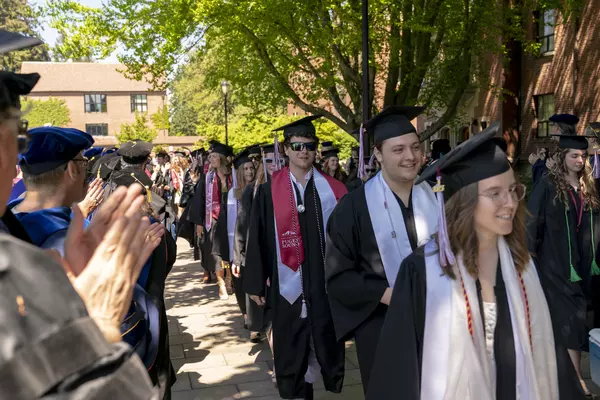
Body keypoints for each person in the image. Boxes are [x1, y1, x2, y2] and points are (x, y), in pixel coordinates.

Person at [367, 122, 584, 400]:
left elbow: (549, 356)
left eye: (513, 190)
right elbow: (399, 371)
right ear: (465, 202)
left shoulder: (523, 267)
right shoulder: (423, 272)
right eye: (495, 193)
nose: (510, 203)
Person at [0, 65, 159, 397]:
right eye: (84, 164)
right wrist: (102, 326)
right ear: (73, 169)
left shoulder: (12, 223)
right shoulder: (63, 238)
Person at [325, 105, 439, 392]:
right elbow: (339, 276)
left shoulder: (438, 198)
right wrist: (391, 295)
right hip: (382, 326)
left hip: (439, 321)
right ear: (377, 154)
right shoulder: (353, 207)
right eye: (398, 149)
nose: (410, 156)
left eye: (415, 147)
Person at [244, 116, 347, 400]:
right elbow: (258, 237)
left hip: (323, 285)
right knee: (291, 350)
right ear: (286, 149)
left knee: (322, 344)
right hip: (286, 288)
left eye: (309, 146)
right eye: (297, 145)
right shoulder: (268, 191)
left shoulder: (333, 191)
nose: (304, 151)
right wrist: (254, 283)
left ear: (316, 151)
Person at [527, 114, 600, 397]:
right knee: (571, 319)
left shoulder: (589, 189)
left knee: (574, 320)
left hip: (583, 266)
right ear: (562, 157)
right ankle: (576, 382)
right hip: (555, 265)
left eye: (582, 156)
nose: (579, 160)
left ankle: (564, 378)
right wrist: (530, 262)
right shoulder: (547, 186)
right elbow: (532, 223)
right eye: (573, 156)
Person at [8, 126, 94, 253]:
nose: (86, 170)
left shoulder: (7, 222)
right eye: (84, 162)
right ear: (72, 169)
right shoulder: (71, 239)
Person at [187, 141, 233, 298]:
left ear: (221, 158)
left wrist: (222, 180)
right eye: (210, 157)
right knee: (216, 253)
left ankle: (228, 277)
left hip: (229, 218)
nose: (211, 159)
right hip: (211, 220)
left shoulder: (231, 176)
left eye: (214, 156)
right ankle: (221, 284)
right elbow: (199, 200)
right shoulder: (207, 178)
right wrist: (199, 222)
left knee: (228, 251)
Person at [226, 148, 257, 338]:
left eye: (251, 168)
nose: (249, 172)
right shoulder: (233, 194)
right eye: (245, 169)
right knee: (241, 284)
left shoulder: (259, 189)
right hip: (238, 243)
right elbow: (230, 224)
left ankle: (254, 323)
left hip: (254, 242)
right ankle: (246, 316)